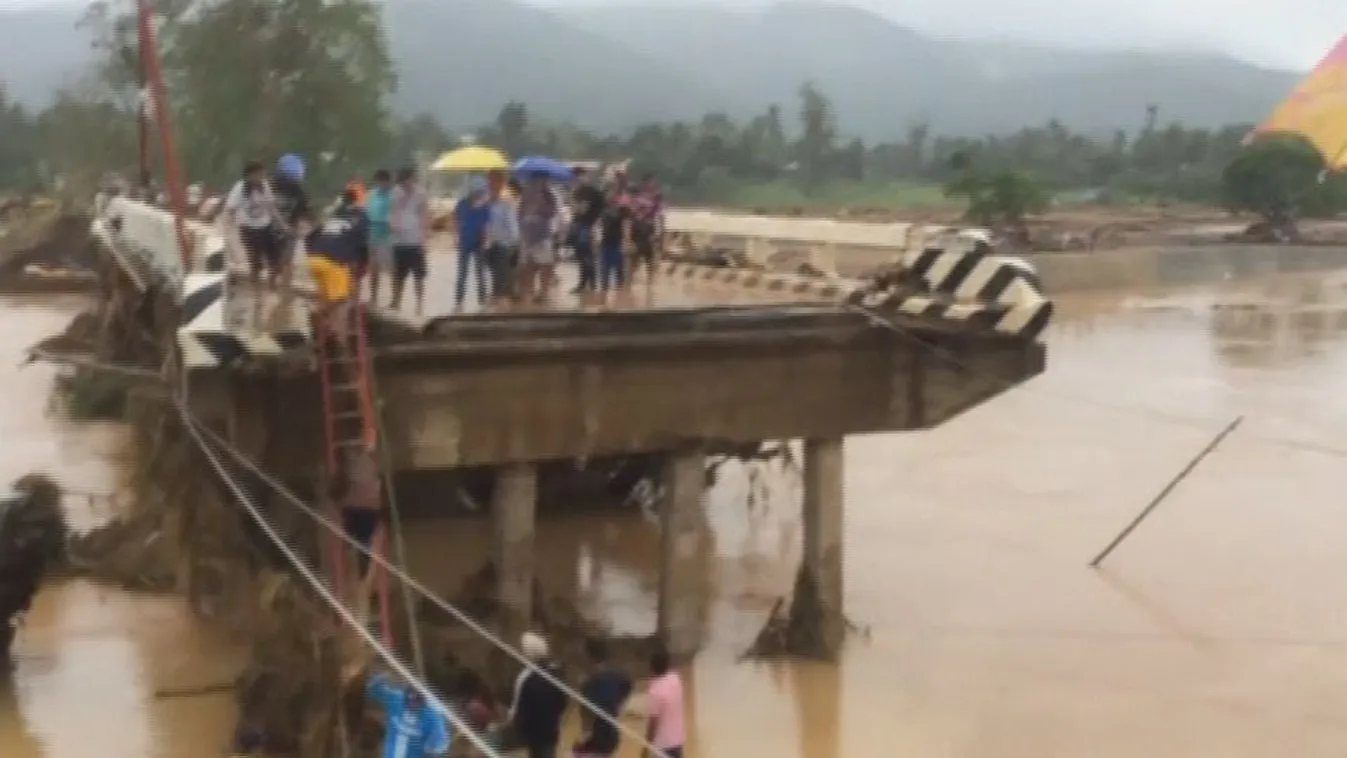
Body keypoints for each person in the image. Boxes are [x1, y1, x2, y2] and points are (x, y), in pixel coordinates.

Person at [304, 188, 368, 344]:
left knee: (329, 298)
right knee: (343, 301)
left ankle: (324, 325)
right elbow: (362, 246)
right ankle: (339, 338)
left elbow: (309, 237)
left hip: (314, 260)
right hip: (334, 262)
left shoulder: (332, 215)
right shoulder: (361, 217)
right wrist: (361, 269)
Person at [507, 632, 568, 758]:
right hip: (551, 728)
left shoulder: (525, 678)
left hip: (534, 732)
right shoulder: (556, 672)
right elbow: (563, 702)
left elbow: (517, 708)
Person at [223, 161, 282, 289]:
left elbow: (271, 207)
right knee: (256, 264)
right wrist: (228, 227)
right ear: (250, 175)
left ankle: (272, 282)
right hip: (248, 229)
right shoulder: (239, 188)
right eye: (259, 175)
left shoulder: (264, 186)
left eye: (263, 175)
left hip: (266, 226)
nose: (262, 177)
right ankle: (257, 291)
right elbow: (230, 209)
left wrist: (282, 223)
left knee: (276, 260)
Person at [366, 671, 451, 758]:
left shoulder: (432, 718)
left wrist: (435, 742)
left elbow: (439, 746)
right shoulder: (396, 698)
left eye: (417, 698)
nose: (411, 701)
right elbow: (375, 690)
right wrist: (380, 678)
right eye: (409, 695)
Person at [573, 639, 633, 758]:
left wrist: (584, 735)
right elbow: (628, 686)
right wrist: (618, 703)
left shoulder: (590, 681)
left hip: (597, 735)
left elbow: (587, 713)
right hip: (612, 732)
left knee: (577, 752)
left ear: (589, 656)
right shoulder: (618, 675)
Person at [389, 166, 430, 314]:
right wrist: (393, 226)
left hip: (415, 240)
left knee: (419, 275)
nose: (411, 181)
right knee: (398, 275)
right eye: (408, 179)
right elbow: (392, 212)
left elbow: (425, 214)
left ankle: (419, 305)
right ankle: (396, 302)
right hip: (399, 241)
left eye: (413, 179)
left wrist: (424, 238)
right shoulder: (395, 192)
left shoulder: (421, 193)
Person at [270, 153, 313, 294]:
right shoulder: (272, 186)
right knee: (281, 262)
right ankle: (278, 286)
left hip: (286, 230)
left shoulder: (298, 191)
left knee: (283, 262)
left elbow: (306, 212)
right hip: (277, 229)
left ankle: (280, 289)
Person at [515, 173, 560, 304]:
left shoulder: (549, 195)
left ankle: (543, 292)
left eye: (542, 180)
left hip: (543, 235)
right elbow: (519, 212)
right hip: (527, 234)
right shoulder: (525, 194)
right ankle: (530, 291)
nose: (538, 182)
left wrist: (541, 204)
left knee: (545, 265)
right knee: (527, 266)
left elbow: (552, 213)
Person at [453, 176, 492, 310]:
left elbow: (487, 225)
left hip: (479, 242)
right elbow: (456, 220)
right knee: (462, 272)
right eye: (477, 191)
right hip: (464, 241)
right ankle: (459, 302)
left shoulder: (485, 206)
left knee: (480, 272)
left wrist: (487, 240)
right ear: (471, 191)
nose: (478, 193)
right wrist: (456, 237)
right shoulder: (462, 204)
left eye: (481, 191)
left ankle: (482, 301)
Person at [484, 176, 520, 308]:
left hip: (504, 242)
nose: (491, 184)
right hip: (489, 242)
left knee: (503, 270)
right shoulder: (485, 200)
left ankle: (504, 298)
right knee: (494, 271)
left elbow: (511, 221)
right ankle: (497, 296)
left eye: (495, 181)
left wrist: (515, 240)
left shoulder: (506, 200)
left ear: (501, 183)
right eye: (490, 181)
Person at [643, 648, 685, 758]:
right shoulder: (675, 679)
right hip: (677, 740)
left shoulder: (655, 691)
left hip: (663, 745)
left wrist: (645, 747)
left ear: (651, 667)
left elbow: (653, 723)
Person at [569, 167, 604, 295]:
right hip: (579, 224)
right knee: (581, 255)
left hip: (588, 225)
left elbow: (583, 209)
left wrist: (595, 226)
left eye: (580, 175)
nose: (578, 178)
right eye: (576, 176)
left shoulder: (589, 191)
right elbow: (576, 211)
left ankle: (591, 284)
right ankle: (584, 284)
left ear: (586, 176)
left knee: (587, 255)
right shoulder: (577, 191)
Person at [365, 169, 394, 305]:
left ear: (388, 182)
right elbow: (366, 212)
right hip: (372, 233)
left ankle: (394, 300)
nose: (381, 184)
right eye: (379, 182)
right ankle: (373, 297)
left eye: (383, 182)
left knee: (391, 269)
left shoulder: (393, 196)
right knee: (373, 268)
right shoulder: (371, 194)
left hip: (388, 235)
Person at [630, 174, 664, 283]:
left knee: (650, 258)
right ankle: (630, 281)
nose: (651, 185)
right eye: (649, 182)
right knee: (635, 257)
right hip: (638, 231)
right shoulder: (638, 197)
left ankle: (650, 283)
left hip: (650, 230)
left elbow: (660, 215)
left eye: (652, 182)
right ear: (644, 183)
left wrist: (661, 232)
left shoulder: (656, 198)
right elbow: (632, 214)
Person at [597, 184, 631, 295]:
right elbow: (599, 225)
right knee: (604, 268)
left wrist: (626, 242)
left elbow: (626, 226)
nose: (610, 196)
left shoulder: (623, 210)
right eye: (608, 193)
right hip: (605, 242)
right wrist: (597, 239)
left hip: (617, 242)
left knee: (618, 269)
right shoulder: (603, 210)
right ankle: (604, 292)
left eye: (613, 193)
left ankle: (620, 294)